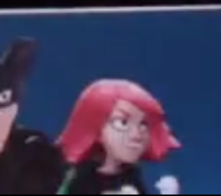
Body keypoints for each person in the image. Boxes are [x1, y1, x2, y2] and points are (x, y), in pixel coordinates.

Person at [53, 78, 181, 195]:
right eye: (123, 122)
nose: (136, 135)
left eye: (143, 124)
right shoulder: (81, 176)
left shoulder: (131, 175)